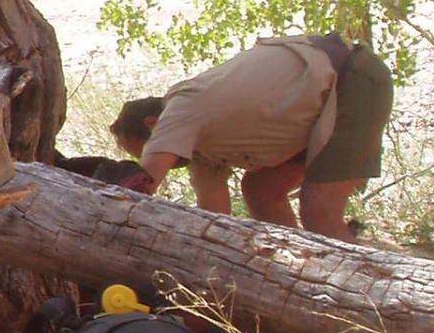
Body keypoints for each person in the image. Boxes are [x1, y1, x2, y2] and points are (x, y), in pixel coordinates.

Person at [110, 35, 393, 241]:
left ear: (153, 125)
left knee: (320, 212)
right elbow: (215, 220)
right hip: (316, 108)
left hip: (349, 79)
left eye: (143, 151)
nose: (150, 157)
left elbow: (141, 187)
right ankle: (295, 275)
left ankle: (364, 295)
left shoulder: (181, 110)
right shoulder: (200, 149)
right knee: (260, 190)